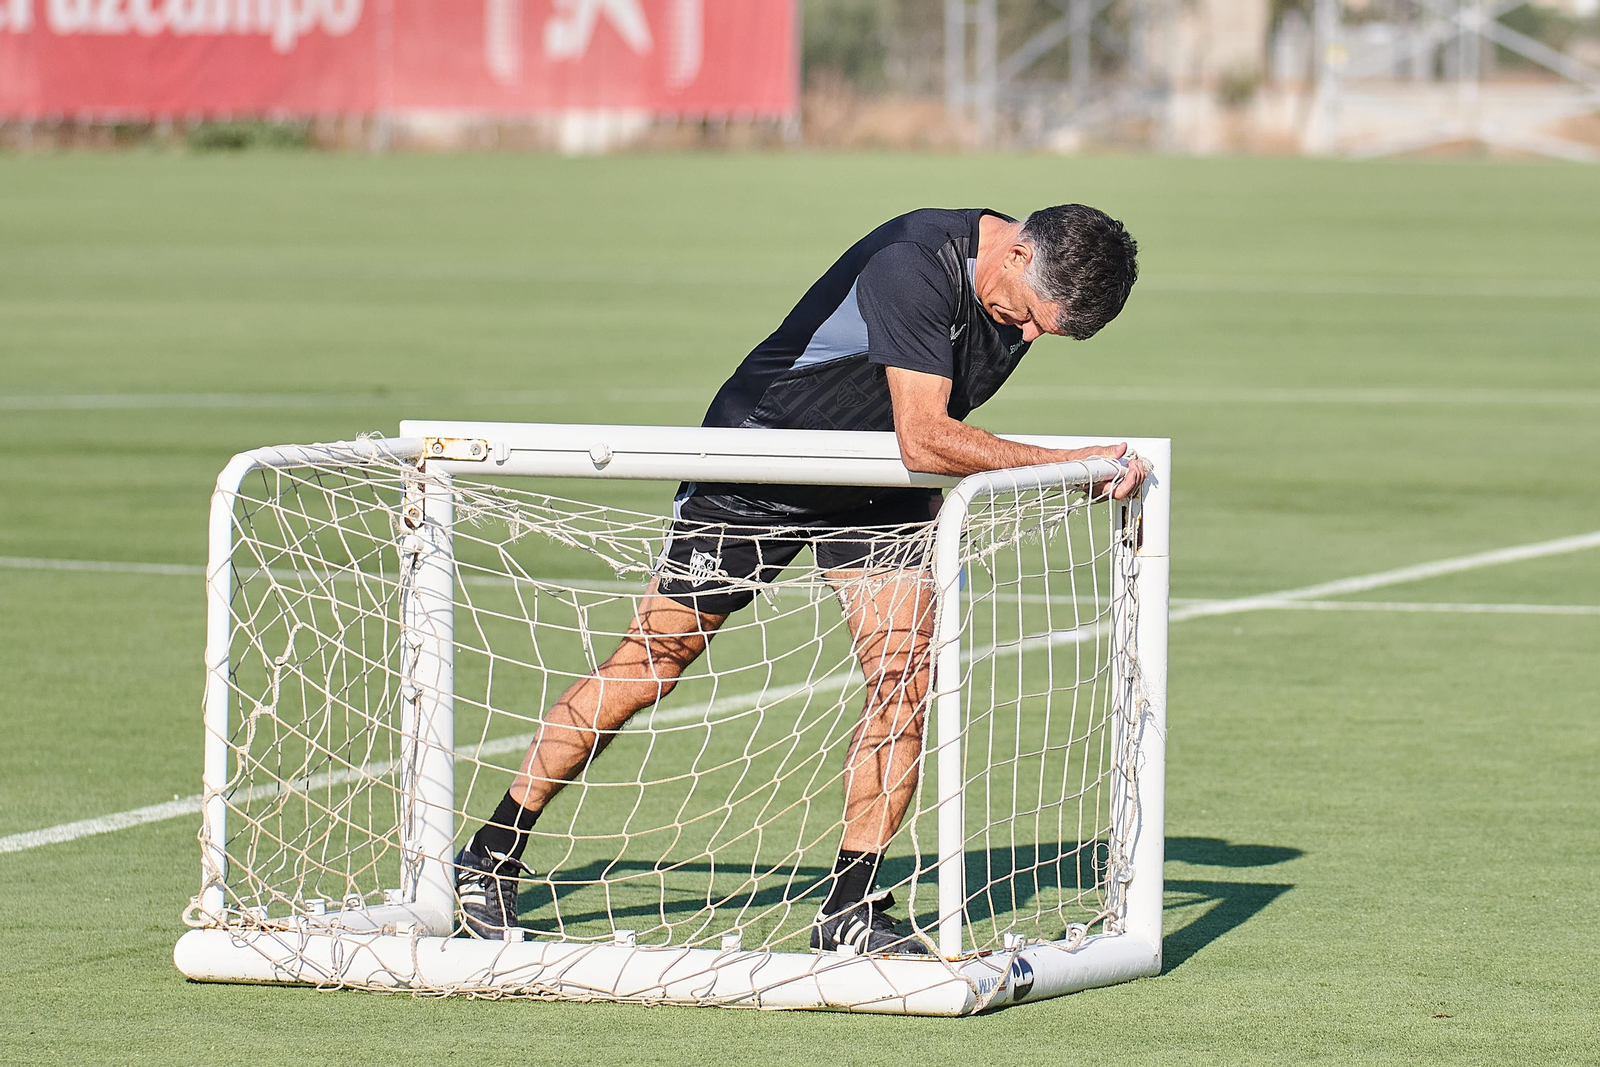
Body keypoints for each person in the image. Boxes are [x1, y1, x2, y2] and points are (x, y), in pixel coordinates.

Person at [454, 205, 1147, 954]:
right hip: (762, 464)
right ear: (1015, 252)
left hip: (879, 482)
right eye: (1036, 318)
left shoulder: (1023, 290)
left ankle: (849, 910)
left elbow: (914, 438)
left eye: (1050, 332)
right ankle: (488, 855)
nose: (1030, 335)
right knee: (651, 662)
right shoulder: (913, 264)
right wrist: (1066, 464)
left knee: (904, 676)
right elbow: (928, 431)